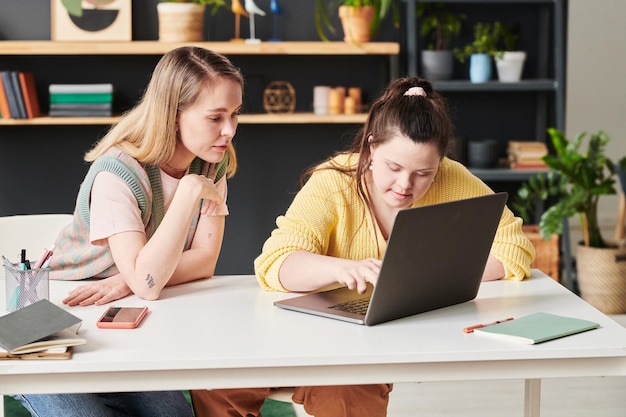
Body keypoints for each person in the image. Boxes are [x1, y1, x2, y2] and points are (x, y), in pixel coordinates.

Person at [190, 76, 535, 417]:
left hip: (366, 345)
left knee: (348, 388)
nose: (405, 185)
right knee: (219, 382)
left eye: (423, 173)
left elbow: (514, 250)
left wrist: (424, 277)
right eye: (394, 167)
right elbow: (274, 264)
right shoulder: (334, 182)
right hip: (300, 331)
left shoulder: (450, 178)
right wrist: (341, 269)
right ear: (371, 147)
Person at [16, 46, 244, 417]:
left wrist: (128, 280)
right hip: (58, 321)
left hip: (126, 318)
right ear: (173, 116)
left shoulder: (211, 164)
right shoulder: (117, 174)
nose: (229, 131)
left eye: (235, 115)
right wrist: (186, 195)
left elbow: (202, 262)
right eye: (215, 117)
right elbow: (150, 282)